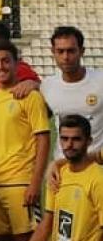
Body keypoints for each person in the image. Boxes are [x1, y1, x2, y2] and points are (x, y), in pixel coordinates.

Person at [0, 40, 50, 241]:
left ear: (16, 63)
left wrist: (35, 182)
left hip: (20, 183)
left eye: (5, 61)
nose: (0, 66)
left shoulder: (30, 97)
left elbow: (43, 140)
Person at [40, 26, 103, 158]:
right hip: (63, 166)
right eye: (60, 51)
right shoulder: (47, 86)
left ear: (82, 51)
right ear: (53, 52)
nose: (66, 57)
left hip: (97, 165)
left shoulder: (100, 80)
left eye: (71, 51)